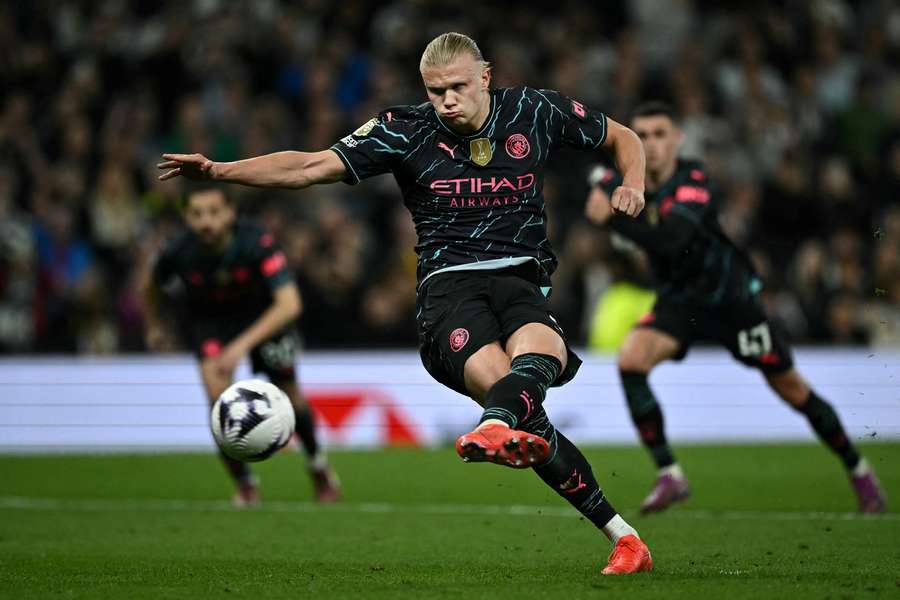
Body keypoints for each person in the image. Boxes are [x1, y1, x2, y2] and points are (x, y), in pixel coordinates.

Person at [158, 32, 652, 575]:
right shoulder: (405, 129)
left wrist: (633, 181)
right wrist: (220, 171)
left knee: (540, 363)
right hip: (449, 289)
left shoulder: (533, 110)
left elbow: (622, 136)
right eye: (436, 90)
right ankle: (506, 427)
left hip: (521, 279)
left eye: (458, 88)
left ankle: (623, 538)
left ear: (485, 77)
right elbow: (308, 168)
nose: (447, 101)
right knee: (512, 393)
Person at [584, 101, 887, 514]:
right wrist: (603, 194)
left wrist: (613, 216)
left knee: (793, 389)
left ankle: (859, 470)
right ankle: (670, 474)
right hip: (679, 301)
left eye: (659, 134)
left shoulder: (694, 178)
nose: (651, 144)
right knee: (631, 359)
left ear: (677, 139)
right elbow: (604, 192)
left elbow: (673, 240)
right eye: (642, 136)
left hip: (730, 301)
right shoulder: (631, 185)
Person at [143, 185, 340, 506]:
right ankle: (245, 484)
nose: (206, 222)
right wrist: (153, 324)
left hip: (263, 318)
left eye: (214, 212)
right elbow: (151, 282)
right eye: (196, 214)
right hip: (210, 323)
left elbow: (289, 305)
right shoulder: (177, 250)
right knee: (217, 398)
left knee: (290, 395)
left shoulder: (256, 243)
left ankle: (318, 466)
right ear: (186, 217)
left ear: (230, 213)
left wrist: (238, 347)